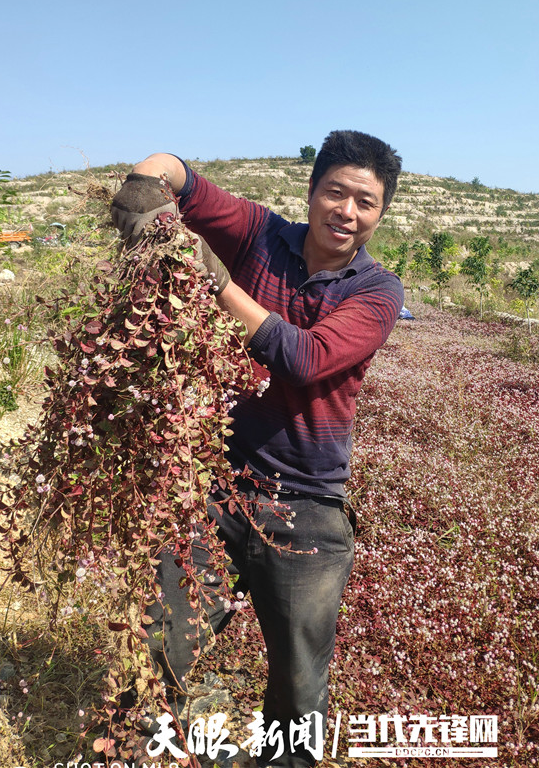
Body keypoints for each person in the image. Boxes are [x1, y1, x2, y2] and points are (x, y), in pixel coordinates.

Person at [111, 130, 404, 767]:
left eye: (366, 201)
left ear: (381, 212)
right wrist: (146, 181)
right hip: (218, 486)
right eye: (335, 192)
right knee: (162, 641)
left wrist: (212, 281)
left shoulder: (377, 292)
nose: (346, 212)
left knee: (299, 686)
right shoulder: (260, 234)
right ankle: (141, 750)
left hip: (308, 503)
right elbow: (179, 177)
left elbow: (305, 357)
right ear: (312, 189)